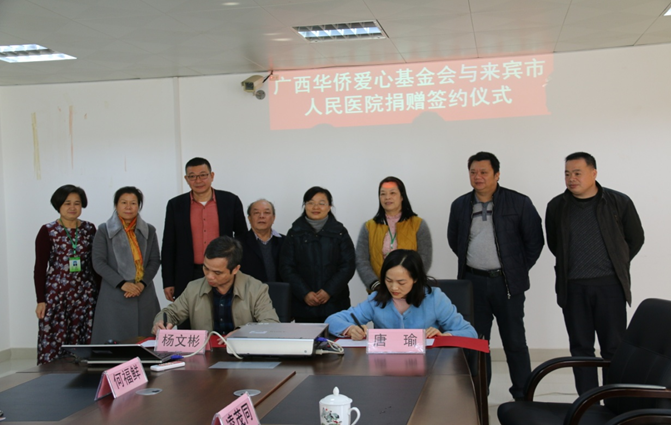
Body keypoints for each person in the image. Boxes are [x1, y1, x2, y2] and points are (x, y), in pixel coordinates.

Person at [447, 151, 544, 400]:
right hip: (473, 283)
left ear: (497, 174)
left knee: (515, 342)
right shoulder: (460, 205)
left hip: (507, 283)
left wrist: (515, 269)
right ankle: (479, 394)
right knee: (477, 342)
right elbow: (455, 240)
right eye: (473, 172)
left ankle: (523, 397)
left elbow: (535, 241)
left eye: (484, 172)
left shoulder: (519, 202)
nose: (477, 177)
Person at [546, 152, 644, 395]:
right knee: (581, 349)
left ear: (594, 173)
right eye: (567, 174)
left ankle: (613, 400)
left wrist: (615, 263)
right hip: (573, 288)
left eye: (577, 173)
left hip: (610, 287)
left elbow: (635, 239)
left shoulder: (618, 202)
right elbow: (555, 244)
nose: (571, 178)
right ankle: (587, 403)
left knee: (613, 348)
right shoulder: (557, 206)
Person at [326, 250, 476, 339]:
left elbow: (469, 332)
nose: (393, 287)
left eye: (401, 282)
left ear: (415, 279)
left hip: (428, 366)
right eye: (388, 280)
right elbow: (332, 320)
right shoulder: (376, 299)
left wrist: (444, 337)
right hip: (385, 367)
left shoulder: (435, 298)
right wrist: (350, 329)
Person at [161, 157, 247, 304]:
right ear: (186, 179)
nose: (198, 180)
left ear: (212, 176)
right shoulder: (176, 205)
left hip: (223, 272)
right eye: (192, 176)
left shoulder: (230, 201)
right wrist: (168, 281)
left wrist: (238, 272)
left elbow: (242, 238)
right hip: (188, 273)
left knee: (224, 314)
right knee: (189, 315)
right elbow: (169, 245)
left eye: (203, 175)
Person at [152, 236, 279, 334]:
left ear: (235, 269)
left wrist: (243, 332)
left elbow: (271, 324)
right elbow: (171, 313)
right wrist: (161, 323)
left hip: (242, 354)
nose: (209, 276)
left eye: (217, 272)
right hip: (206, 354)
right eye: (206, 268)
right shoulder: (194, 288)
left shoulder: (256, 289)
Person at [33, 185, 99, 364]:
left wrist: (100, 295)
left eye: (77, 203)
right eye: (67, 203)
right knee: (55, 341)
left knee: (84, 342)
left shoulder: (89, 229)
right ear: (58, 205)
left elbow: (96, 264)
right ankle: (51, 376)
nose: (72, 207)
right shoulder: (48, 230)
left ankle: (84, 377)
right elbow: (40, 267)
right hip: (56, 296)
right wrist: (41, 300)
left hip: (85, 295)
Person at [91, 187, 161, 343]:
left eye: (133, 203)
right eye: (124, 202)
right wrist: (122, 284)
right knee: (114, 344)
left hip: (144, 294)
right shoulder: (104, 230)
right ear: (116, 205)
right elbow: (98, 262)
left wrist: (142, 284)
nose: (128, 207)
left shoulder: (149, 230)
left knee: (147, 343)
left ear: (139, 206)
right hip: (114, 294)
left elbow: (155, 260)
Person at [280, 186, 356, 323]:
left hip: (336, 304)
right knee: (305, 337)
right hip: (303, 306)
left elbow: (348, 265)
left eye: (321, 203)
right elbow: (286, 267)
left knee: (336, 337)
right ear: (305, 206)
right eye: (311, 203)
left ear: (329, 207)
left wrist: (328, 291)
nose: (316, 207)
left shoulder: (340, 232)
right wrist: (305, 293)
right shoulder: (294, 232)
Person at [356, 176, 432, 293]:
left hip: (409, 291)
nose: (387, 197)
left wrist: (408, 283)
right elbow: (361, 260)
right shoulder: (368, 226)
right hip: (379, 291)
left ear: (402, 196)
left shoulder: (418, 224)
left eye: (392, 193)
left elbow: (424, 258)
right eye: (383, 194)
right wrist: (375, 285)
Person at [237, 199, 284, 282]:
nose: (261, 216)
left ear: (273, 218)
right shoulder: (237, 243)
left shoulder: (286, 242)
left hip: (280, 289)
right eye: (256, 213)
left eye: (266, 212)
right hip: (250, 289)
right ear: (249, 218)